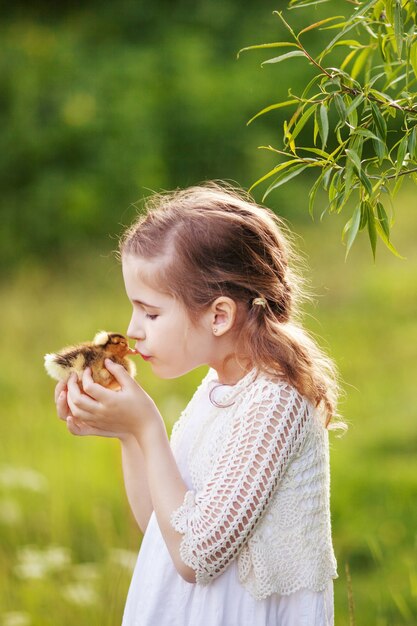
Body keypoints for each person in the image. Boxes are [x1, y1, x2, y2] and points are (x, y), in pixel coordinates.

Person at [54, 181, 341, 625]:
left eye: (150, 313)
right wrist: (129, 433)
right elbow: (162, 528)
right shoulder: (218, 386)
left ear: (219, 316)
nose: (133, 329)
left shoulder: (275, 402)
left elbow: (197, 556)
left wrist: (149, 427)